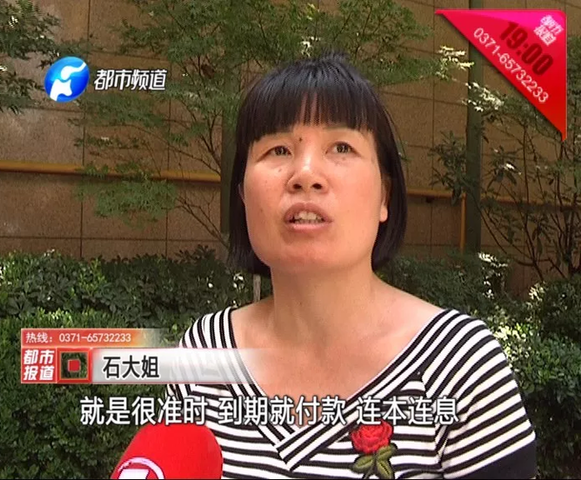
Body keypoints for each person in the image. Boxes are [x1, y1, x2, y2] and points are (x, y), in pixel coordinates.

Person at [166, 53, 537, 479]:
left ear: (385, 196)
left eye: (341, 147)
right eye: (278, 149)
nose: (306, 174)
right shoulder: (204, 354)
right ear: (243, 197)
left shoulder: (460, 363)